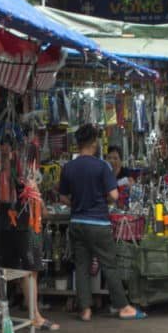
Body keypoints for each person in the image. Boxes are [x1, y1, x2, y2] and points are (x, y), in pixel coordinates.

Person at [59, 125, 145, 322]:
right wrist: (101, 200)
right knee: (109, 265)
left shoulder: (68, 167)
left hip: (77, 222)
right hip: (98, 223)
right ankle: (123, 306)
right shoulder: (102, 166)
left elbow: (63, 197)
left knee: (81, 266)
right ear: (94, 143)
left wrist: (77, 202)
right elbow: (114, 195)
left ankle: (85, 310)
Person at [0, 136, 60, 331]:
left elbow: (33, 190)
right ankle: (1, 313)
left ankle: (34, 315)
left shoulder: (25, 167)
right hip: (8, 221)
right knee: (2, 268)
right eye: (3, 149)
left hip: (26, 221)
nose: (7, 151)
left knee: (30, 268)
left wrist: (40, 205)